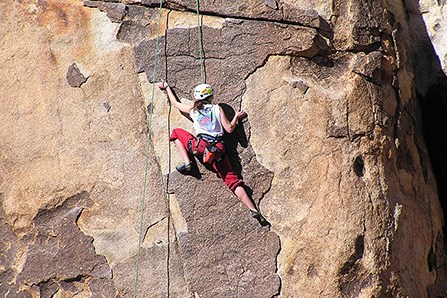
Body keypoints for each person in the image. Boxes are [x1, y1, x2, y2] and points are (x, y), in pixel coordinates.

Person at [157, 81, 268, 226]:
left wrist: (166, 87)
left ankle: (188, 163)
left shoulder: (193, 109)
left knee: (176, 133)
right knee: (232, 180)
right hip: (217, 150)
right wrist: (236, 117)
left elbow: (176, 104)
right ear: (210, 96)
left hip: (200, 147)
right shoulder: (217, 109)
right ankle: (253, 208)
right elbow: (229, 129)